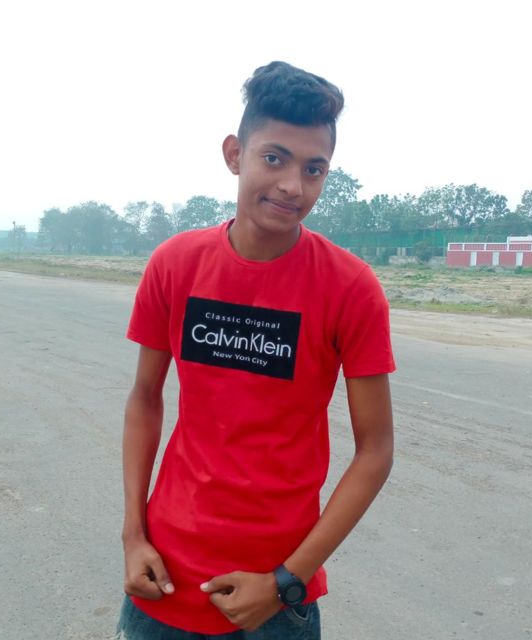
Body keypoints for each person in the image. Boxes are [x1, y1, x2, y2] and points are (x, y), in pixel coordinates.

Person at [116, 60, 395, 639]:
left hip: (279, 594)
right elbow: (145, 397)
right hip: (165, 575)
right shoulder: (175, 265)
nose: (294, 185)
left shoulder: (350, 287)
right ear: (233, 154)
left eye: (314, 169)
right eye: (274, 158)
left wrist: (287, 580)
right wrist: (133, 534)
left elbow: (375, 451)